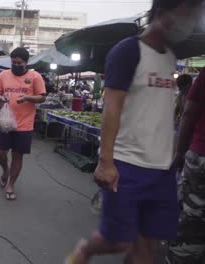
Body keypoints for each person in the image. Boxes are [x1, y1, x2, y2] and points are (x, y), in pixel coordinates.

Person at [67, 0, 202, 263]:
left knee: (146, 248)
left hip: (162, 169)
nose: (191, 22)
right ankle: (85, 250)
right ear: (163, 12)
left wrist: (175, 156)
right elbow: (112, 108)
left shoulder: (169, 58)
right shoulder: (127, 51)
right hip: (127, 164)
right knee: (118, 239)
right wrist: (105, 162)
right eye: (188, 14)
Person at [0, 47, 46, 201]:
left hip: (24, 124)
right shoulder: (3, 75)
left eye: (19, 63)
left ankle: (11, 185)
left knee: (18, 155)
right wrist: (0, 98)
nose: (15, 65)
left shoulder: (35, 76)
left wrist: (28, 98)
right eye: (13, 62)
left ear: (26, 63)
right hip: (5, 122)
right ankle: (5, 170)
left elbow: (42, 97)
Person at [167, 68, 205, 263]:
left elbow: (188, 114)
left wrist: (180, 153)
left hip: (200, 154)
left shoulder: (202, 78)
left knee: (192, 220)